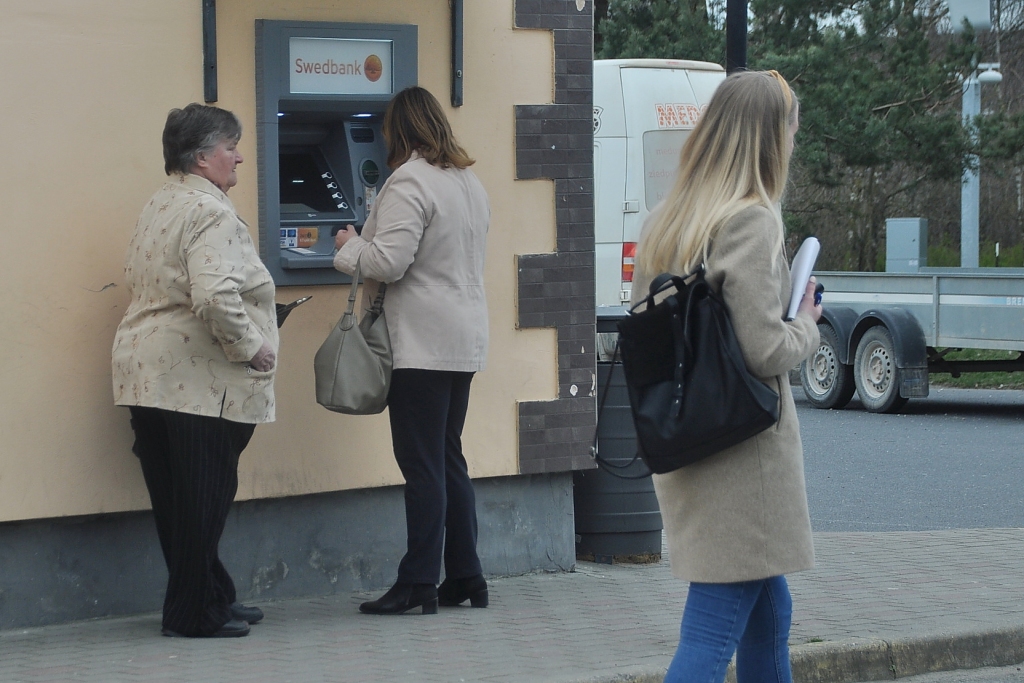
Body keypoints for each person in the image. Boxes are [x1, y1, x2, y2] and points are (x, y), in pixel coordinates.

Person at [629, 71, 823, 682]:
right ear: (770, 138)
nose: (795, 140)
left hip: (688, 439)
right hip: (744, 460)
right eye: (792, 127)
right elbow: (765, 349)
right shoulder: (751, 220)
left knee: (770, 611)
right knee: (713, 632)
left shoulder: (667, 219)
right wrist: (808, 323)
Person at [111, 103, 278, 638]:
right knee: (204, 496)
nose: (240, 156)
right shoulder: (212, 212)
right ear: (204, 158)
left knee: (177, 498)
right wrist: (253, 347)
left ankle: (212, 594)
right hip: (197, 377)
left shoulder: (161, 203)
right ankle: (191, 615)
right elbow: (212, 293)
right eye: (231, 147)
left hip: (144, 369)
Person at [333, 86, 490, 615]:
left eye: (384, 128)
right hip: (463, 339)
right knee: (448, 459)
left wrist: (346, 247)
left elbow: (389, 262)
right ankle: (467, 575)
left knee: (422, 465)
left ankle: (418, 582)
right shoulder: (467, 181)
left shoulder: (408, 182)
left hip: (421, 343)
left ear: (398, 130)